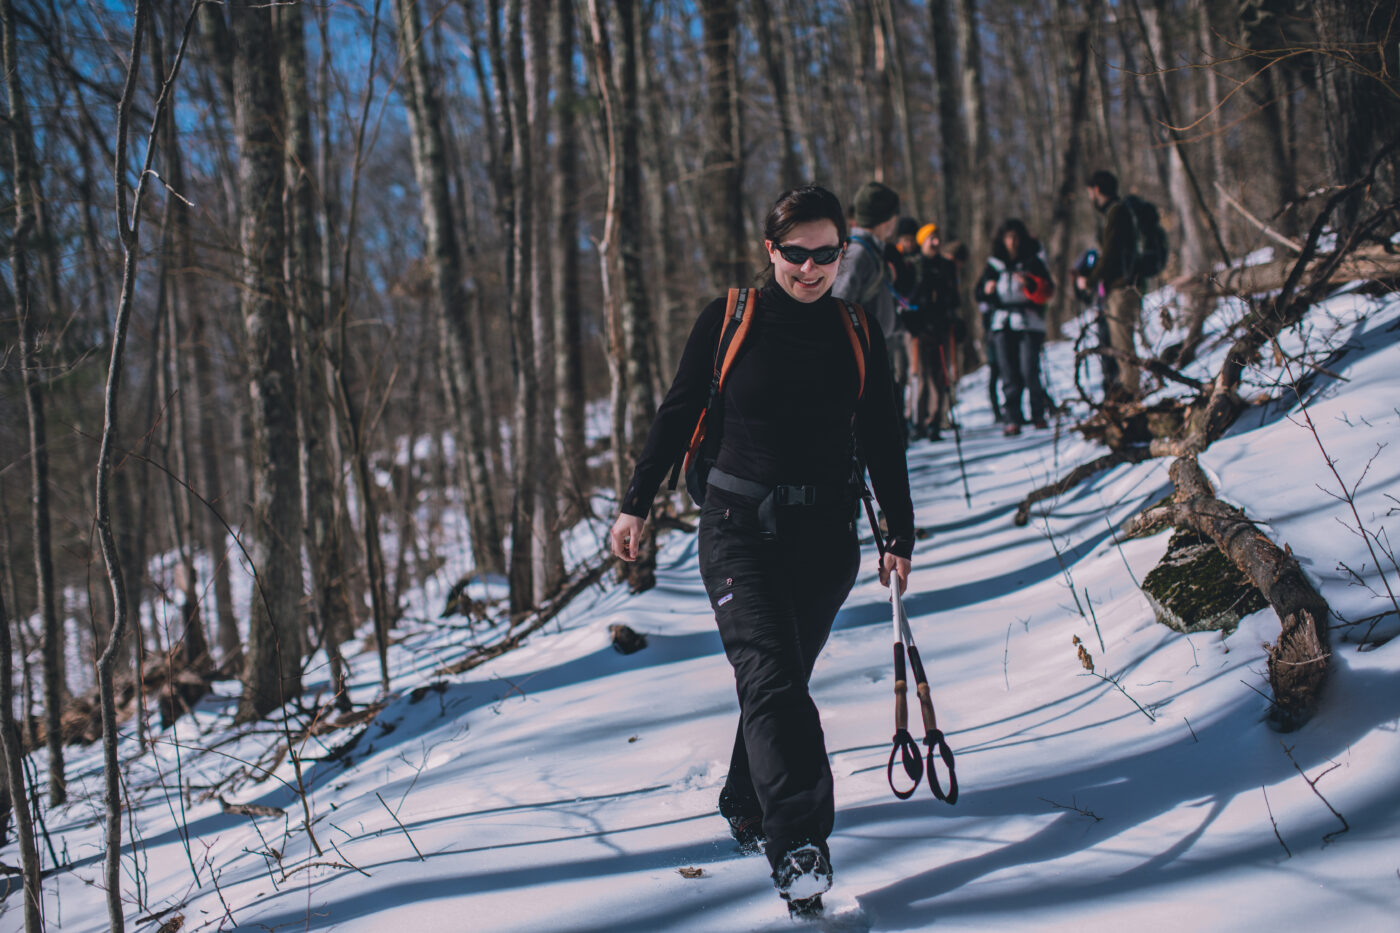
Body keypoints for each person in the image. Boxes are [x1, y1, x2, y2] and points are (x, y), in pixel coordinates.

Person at [609, 185, 914, 918]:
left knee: (780, 684)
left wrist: (898, 532)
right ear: (770, 249)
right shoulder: (730, 316)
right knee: (772, 678)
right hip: (736, 524)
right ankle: (800, 844)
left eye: (827, 253)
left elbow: (881, 433)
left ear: (845, 250)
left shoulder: (855, 328)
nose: (811, 268)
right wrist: (635, 500)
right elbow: (679, 408)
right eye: (796, 252)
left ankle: (747, 798)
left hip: (826, 537)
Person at [834, 182, 909, 438]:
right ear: (884, 219)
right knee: (867, 439)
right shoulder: (858, 254)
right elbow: (838, 304)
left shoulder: (873, 252)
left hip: (875, 354)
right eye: (893, 215)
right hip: (861, 362)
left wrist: (904, 323)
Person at [976, 218, 1054, 436]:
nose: (1012, 242)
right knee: (1008, 372)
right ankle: (1012, 417)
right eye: (1008, 237)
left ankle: (1038, 413)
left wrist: (1029, 284)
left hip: (1028, 322)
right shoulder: (994, 266)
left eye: (1015, 237)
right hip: (1002, 323)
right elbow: (978, 293)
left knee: (1029, 369)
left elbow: (1047, 289)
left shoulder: (1032, 263)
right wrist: (987, 290)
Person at [1078, 169, 1141, 399]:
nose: (1089, 198)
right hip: (1120, 285)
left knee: (1122, 344)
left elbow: (1111, 254)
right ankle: (1128, 392)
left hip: (1121, 287)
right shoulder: (1117, 212)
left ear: (1096, 190)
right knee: (1119, 342)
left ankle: (1132, 394)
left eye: (1089, 193)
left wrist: (1091, 280)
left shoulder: (1117, 212)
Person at [905, 223, 962, 440]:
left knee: (940, 376)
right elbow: (906, 297)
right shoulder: (913, 265)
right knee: (919, 375)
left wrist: (954, 319)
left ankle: (934, 421)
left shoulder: (946, 266)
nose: (936, 243)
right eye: (932, 239)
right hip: (918, 329)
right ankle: (916, 421)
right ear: (923, 241)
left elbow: (954, 296)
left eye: (938, 238)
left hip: (941, 327)